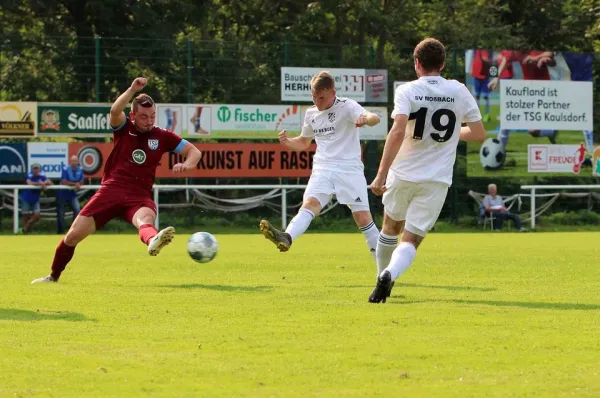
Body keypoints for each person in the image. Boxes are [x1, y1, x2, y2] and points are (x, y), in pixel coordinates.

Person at [31, 77, 202, 284]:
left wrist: (187, 164)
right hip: (111, 192)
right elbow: (114, 111)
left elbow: (194, 152)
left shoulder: (162, 136)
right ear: (133, 116)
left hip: (138, 195)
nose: (149, 121)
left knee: (145, 220)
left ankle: (153, 240)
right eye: (143, 117)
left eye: (152, 116)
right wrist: (131, 89)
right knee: (72, 236)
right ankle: (53, 276)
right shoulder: (123, 128)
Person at [368, 38, 486, 303]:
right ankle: (389, 274)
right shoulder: (458, 90)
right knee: (410, 240)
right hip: (436, 179)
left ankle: (380, 275)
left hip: (403, 173)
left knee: (389, 227)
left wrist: (380, 173)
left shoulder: (407, 90)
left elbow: (397, 131)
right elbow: (478, 133)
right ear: (442, 64)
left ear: (417, 64)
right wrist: (454, 132)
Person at [259, 71, 382, 263]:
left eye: (321, 97)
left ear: (332, 92)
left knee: (363, 218)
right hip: (323, 169)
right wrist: (287, 142)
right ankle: (287, 237)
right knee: (309, 204)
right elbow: (304, 142)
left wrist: (366, 119)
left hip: (349, 170)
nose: (317, 101)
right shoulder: (311, 114)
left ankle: (384, 270)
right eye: (313, 97)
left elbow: (374, 117)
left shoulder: (347, 106)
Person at [20, 163, 53, 234]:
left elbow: (50, 183)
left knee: (37, 215)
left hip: (35, 199)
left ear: (39, 169)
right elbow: (29, 183)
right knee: (25, 215)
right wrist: (40, 183)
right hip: (26, 198)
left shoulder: (42, 175)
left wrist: (45, 182)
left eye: (37, 168)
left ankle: (27, 226)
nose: (36, 170)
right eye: (34, 168)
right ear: (32, 169)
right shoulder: (29, 175)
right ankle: (23, 232)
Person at [56, 155, 85, 234]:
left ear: (78, 162)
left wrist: (77, 184)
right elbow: (64, 181)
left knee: (77, 210)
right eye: (73, 161)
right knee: (61, 213)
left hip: (72, 194)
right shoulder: (65, 169)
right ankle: (60, 231)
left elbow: (82, 181)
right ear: (70, 162)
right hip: (62, 193)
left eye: (75, 161)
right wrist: (76, 184)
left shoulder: (80, 169)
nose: (74, 162)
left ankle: (72, 229)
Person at [470, 49, 492, 122]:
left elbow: (488, 59)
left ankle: (486, 115)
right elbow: (473, 58)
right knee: (477, 96)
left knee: (486, 96)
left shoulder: (488, 50)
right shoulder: (475, 50)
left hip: (485, 76)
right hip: (477, 75)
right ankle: (477, 116)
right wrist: (471, 69)